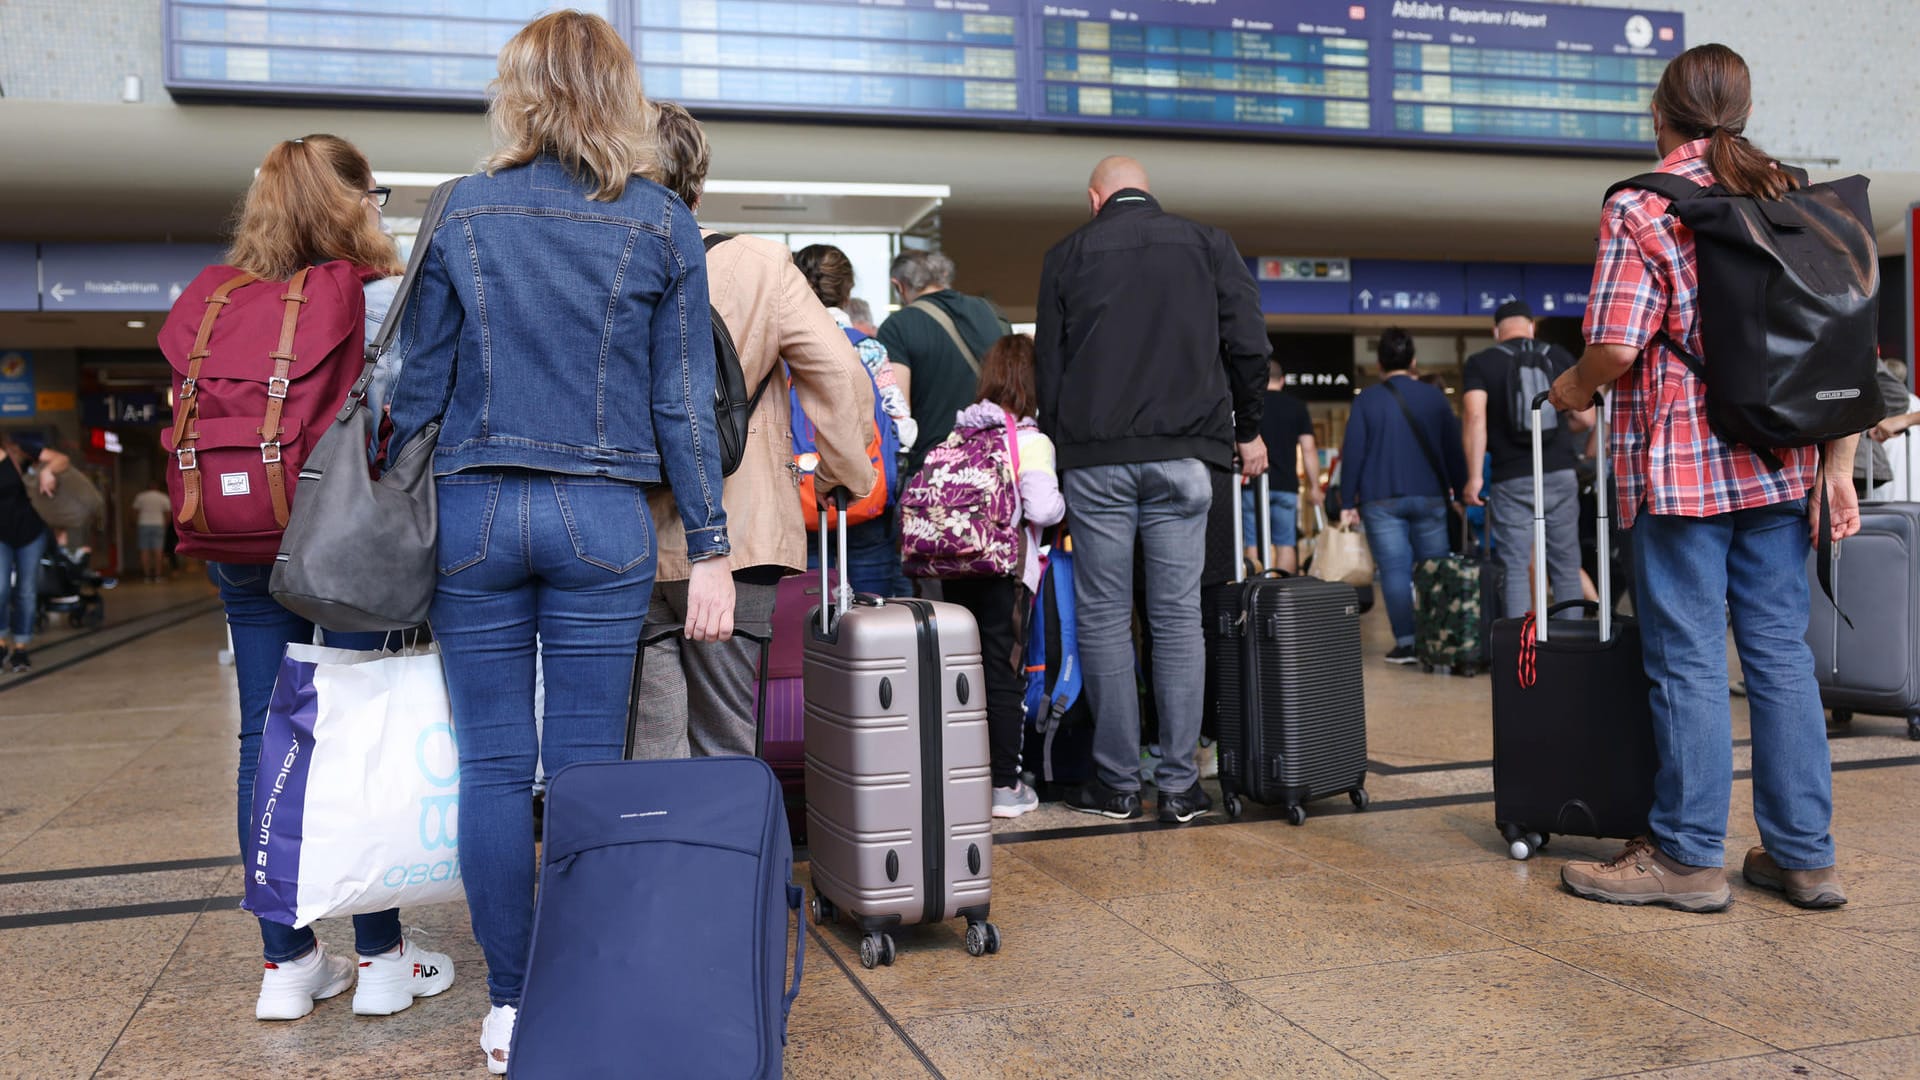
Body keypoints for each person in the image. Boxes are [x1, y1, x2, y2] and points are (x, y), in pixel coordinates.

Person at [381, 16, 732, 1073]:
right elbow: (685, 406)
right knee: (585, 767)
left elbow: (418, 392)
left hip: (476, 514)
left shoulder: (461, 210)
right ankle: (578, 988)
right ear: (620, 97)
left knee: (495, 767)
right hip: (605, 519)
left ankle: (509, 1005)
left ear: (518, 93)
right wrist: (709, 546)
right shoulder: (662, 222)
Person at [1551, 43, 1861, 914]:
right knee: (1780, 659)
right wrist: (1835, 467)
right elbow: (1841, 341)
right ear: (1742, 110)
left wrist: (1569, 390)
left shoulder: (1644, 205)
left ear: (1661, 113)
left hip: (1685, 472)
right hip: (1778, 463)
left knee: (1685, 659)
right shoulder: (1790, 196)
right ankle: (1803, 856)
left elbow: (1616, 344)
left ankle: (1687, 857)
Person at [178, 134, 456, 1022]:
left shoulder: (218, 305)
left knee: (265, 736)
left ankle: (287, 964)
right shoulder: (375, 299)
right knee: (354, 731)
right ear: (356, 205)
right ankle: (381, 960)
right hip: (343, 544)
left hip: (240, 538)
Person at [630, 103, 875, 760]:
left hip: (631, 539)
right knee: (728, 741)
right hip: (743, 537)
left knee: (648, 750)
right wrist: (840, 477)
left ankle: (658, 861)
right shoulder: (764, 266)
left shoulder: (609, 264)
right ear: (699, 186)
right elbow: (842, 376)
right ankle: (732, 861)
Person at [1035, 155, 1269, 825]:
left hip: (1098, 459)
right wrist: (1243, 427)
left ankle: (1113, 785)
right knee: (1177, 620)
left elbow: (1049, 365)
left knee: (1106, 618)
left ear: (1093, 198)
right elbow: (1249, 344)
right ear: (1148, 192)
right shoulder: (1207, 243)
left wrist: (1064, 445)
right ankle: (1178, 786)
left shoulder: (1067, 254)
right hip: (1188, 456)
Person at [931, 334, 1064, 818]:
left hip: (951, 564)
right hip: (1004, 569)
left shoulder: (959, 434)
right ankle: (1004, 787)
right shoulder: (1030, 440)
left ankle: (963, 778)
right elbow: (1043, 507)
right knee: (1003, 672)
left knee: (963, 670)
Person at [793, 241, 915, 597]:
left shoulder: (783, 347)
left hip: (802, 501)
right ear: (848, 290)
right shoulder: (869, 349)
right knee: (869, 620)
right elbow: (902, 425)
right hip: (865, 499)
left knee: (806, 621)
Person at [1338, 328, 1468, 663]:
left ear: (1379, 363)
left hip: (1380, 499)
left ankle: (1407, 643)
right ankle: (1440, 639)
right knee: (1434, 568)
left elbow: (1353, 452)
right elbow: (1453, 449)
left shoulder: (1366, 399)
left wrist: (1347, 502)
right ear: (1413, 361)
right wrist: (1461, 489)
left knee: (1395, 570)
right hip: (1429, 495)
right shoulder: (1434, 397)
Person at [1462, 299, 1594, 618]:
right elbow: (1587, 420)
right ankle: (1570, 642)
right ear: (1531, 327)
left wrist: (1475, 476)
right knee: (1565, 562)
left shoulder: (1482, 363)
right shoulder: (1558, 355)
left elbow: (1474, 416)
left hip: (1512, 476)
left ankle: (1518, 648)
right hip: (1560, 472)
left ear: (1496, 331)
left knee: (1516, 566)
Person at [876, 249, 1008, 473]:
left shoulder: (897, 326)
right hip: (993, 457)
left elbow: (898, 408)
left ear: (898, 285)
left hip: (933, 466)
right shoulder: (990, 312)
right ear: (944, 275)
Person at [1242, 361, 1320, 572]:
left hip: (1253, 484)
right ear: (1282, 380)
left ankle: (1254, 595)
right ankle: (1284, 595)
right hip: (1286, 486)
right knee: (1286, 543)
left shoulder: (1250, 405)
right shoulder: (1297, 407)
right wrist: (1314, 487)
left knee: (1253, 543)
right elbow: (1309, 448)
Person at [1, 433, 62, 673]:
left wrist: (48, 471)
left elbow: (60, 459)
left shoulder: (18, 450)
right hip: (0, 537)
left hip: (30, 532)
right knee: (0, 589)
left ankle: (21, 649)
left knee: (26, 591)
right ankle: (1, 642)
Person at [131, 482, 172, 582]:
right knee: (158, 551)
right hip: (158, 524)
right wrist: (165, 524)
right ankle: (158, 575)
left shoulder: (140, 497)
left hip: (143, 524)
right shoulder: (163, 497)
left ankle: (147, 576)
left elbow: (134, 512)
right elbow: (168, 513)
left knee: (144, 551)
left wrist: (136, 523)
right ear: (156, 487)